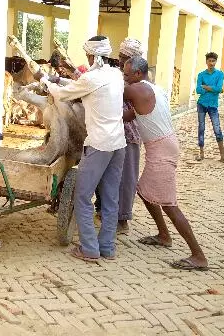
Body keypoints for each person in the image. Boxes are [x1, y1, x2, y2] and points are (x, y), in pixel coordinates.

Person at [36, 35, 126, 261]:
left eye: (87, 54)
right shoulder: (116, 74)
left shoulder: (93, 78)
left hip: (99, 145)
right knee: (110, 197)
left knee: (82, 196)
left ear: (93, 55)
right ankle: (107, 247)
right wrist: (61, 80)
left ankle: (89, 249)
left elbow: (63, 94)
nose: (85, 57)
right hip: (118, 144)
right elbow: (83, 85)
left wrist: (48, 82)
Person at [122, 56, 208, 271]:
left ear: (138, 74)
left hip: (161, 148)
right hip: (164, 144)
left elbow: (110, 91)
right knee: (143, 190)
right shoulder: (152, 89)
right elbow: (133, 114)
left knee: (169, 204)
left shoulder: (136, 90)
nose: (124, 76)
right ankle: (163, 234)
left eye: (127, 73)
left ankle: (198, 256)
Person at [93, 38, 144, 235]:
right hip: (112, 133)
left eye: (125, 58)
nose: (121, 61)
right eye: (120, 57)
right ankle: (104, 210)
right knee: (108, 174)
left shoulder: (139, 80)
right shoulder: (120, 73)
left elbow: (133, 110)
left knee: (127, 177)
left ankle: (122, 219)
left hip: (129, 134)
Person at [195, 52, 224, 164]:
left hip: (213, 106)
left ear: (216, 62)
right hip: (201, 104)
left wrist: (205, 87)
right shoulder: (201, 75)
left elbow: (219, 89)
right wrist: (212, 88)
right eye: (209, 61)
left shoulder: (220, 74)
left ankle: (222, 156)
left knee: (217, 129)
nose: (211, 63)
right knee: (201, 128)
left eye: (213, 61)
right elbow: (198, 90)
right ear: (206, 62)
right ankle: (201, 153)